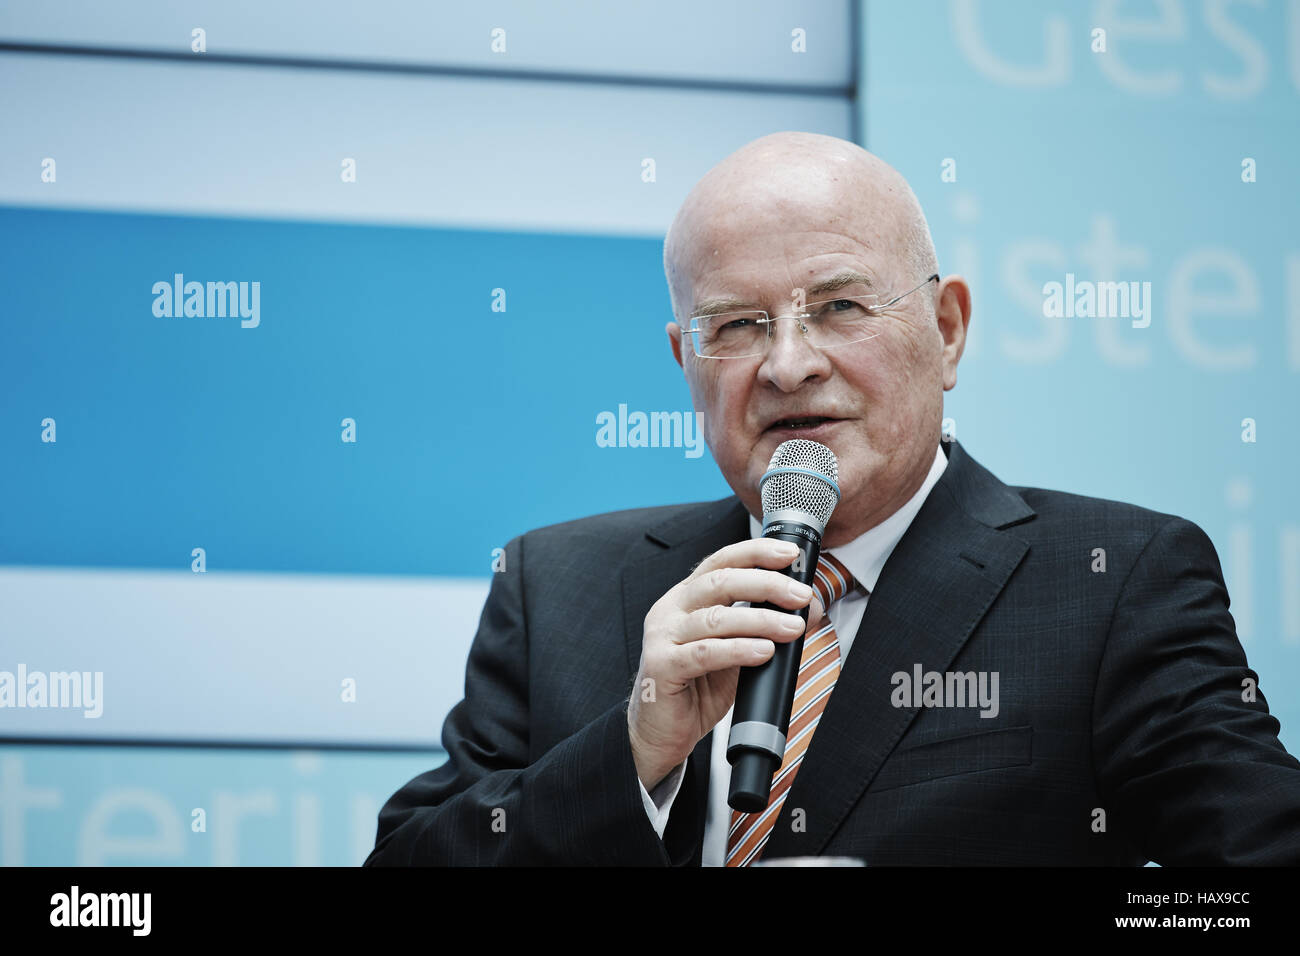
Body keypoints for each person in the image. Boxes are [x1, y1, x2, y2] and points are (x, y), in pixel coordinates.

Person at [365, 132, 1300, 866]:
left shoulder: (1114, 582)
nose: (788, 364)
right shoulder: (556, 584)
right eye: (736, 325)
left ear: (946, 330)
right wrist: (634, 750)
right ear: (686, 363)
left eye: (841, 308)